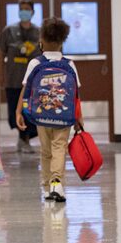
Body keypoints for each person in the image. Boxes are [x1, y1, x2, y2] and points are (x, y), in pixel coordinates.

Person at [16, 17, 83, 203]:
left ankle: (47, 187)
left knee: (45, 151)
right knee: (59, 147)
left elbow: (25, 89)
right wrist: (79, 118)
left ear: (41, 40)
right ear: (62, 41)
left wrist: (18, 111)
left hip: (42, 115)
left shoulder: (36, 64)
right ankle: (57, 182)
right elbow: (76, 95)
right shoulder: (69, 65)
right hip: (64, 115)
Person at [0, 0, 41, 153]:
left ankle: (25, 140)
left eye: (27, 9)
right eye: (21, 9)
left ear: (33, 11)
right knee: (14, 113)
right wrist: (1, 76)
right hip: (13, 80)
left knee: (30, 111)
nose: (24, 12)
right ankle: (23, 139)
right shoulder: (9, 31)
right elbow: (0, 53)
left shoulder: (39, 32)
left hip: (33, 82)